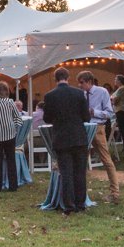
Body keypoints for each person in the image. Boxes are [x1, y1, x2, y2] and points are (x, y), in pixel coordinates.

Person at [43, 68, 90, 215]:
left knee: (66, 173)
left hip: (61, 138)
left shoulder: (49, 96)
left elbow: (47, 118)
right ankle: (81, 205)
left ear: (55, 78)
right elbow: (86, 117)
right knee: (80, 172)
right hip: (78, 136)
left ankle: (69, 206)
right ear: (68, 77)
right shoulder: (79, 93)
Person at [78, 70, 120, 204]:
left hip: (98, 127)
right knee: (81, 160)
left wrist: (94, 112)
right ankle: (81, 192)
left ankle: (115, 192)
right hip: (84, 128)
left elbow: (109, 113)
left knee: (106, 159)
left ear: (89, 82)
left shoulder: (102, 92)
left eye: (82, 83)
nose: (80, 85)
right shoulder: (81, 94)